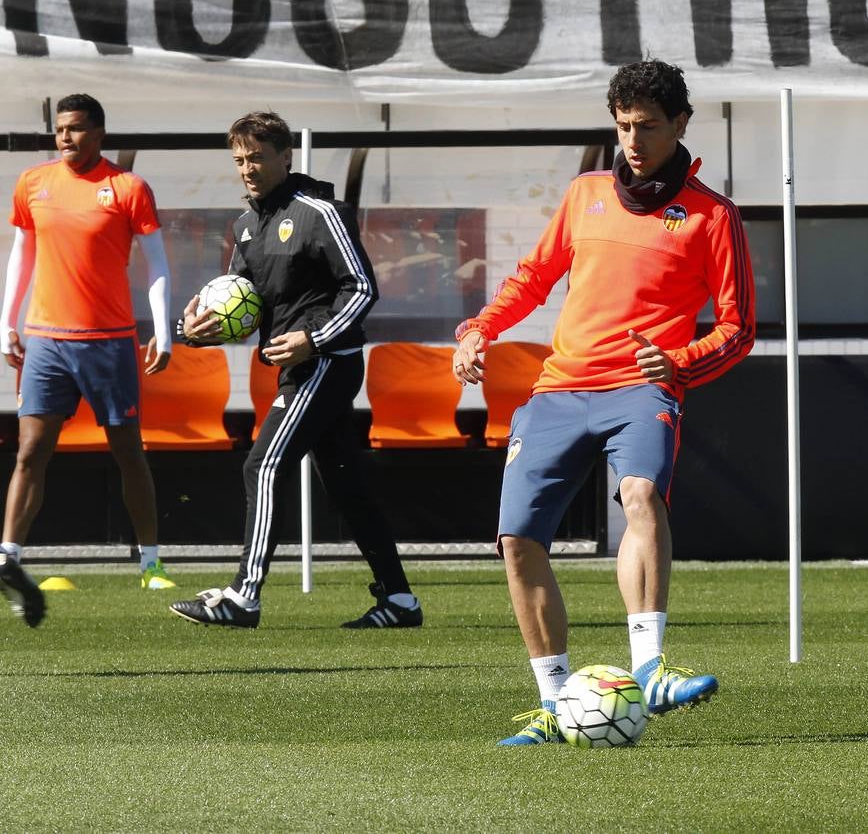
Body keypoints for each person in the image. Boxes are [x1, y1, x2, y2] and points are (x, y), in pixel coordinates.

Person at [453, 60, 755, 745]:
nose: (634, 140)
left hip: (642, 390)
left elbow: (738, 331)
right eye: (623, 126)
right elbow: (533, 278)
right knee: (517, 541)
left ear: (681, 124)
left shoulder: (713, 216)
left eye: (648, 126)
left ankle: (649, 668)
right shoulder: (585, 192)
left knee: (641, 494)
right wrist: (478, 330)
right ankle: (557, 706)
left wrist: (678, 362)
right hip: (558, 391)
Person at [169, 111, 421, 629]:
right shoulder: (245, 226)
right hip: (296, 369)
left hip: (328, 363)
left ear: (286, 157)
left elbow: (362, 287)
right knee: (348, 485)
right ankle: (399, 601)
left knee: (261, 465)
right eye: (239, 159)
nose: (247, 168)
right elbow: (242, 304)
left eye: (257, 157)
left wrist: (315, 338)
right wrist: (193, 328)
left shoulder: (319, 211)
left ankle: (243, 596)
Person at [1, 93, 176, 602]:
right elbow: (21, 254)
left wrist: (163, 332)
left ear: (99, 133)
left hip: (110, 344)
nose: (65, 138)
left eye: (75, 128)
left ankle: (150, 562)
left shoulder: (128, 188)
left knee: (128, 453)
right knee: (31, 451)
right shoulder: (33, 183)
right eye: (60, 129)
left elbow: (158, 266)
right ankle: (8, 557)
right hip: (47, 342)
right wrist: (7, 322)